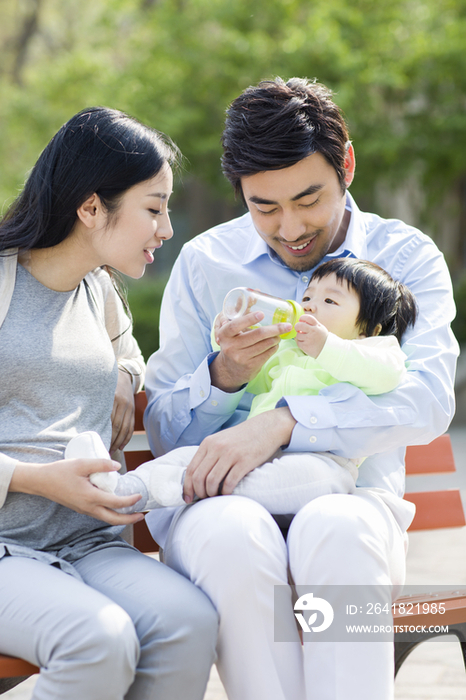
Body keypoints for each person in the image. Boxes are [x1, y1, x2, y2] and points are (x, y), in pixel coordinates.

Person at [144, 78, 458, 700]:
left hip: (355, 505)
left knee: (336, 529)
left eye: (308, 198)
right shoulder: (207, 263)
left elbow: (426, 399)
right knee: (236, 536)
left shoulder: (406, 256)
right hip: (218, 509)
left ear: (345, 166)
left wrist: (288, 419)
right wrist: (224, 376)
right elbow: (163, 435)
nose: (289, 228)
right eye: (264, 207)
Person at [0, 107, 218, 700]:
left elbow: (126, 356)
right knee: (98, 641)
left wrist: (123, 375)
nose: (167, 229)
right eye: (153, 208)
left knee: (187, 622)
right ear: (91, 207)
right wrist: (38, 480)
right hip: (5, 549)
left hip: (88, 542)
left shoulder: (100, 291)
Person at [89, 257, 417, 517]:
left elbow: (386, 375)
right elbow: (253, 381)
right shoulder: (287, 351)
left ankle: (194, 487)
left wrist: (326, 346)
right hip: (256, 453)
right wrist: (234, 352)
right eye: (307, 297)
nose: (310, 306)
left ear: (368, 329)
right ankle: (122, 489)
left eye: (330, 301)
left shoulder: (374, 350)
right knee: (196, 456)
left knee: (302, 476)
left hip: (325, 463)